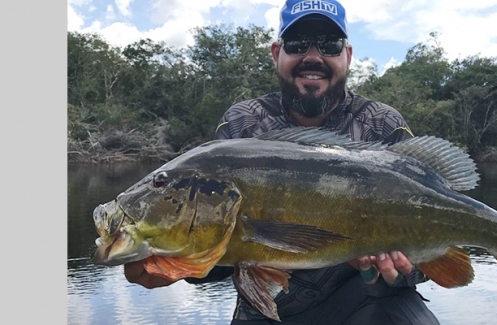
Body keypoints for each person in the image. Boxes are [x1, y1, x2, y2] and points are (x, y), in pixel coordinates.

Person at [124, 1, 442, 324]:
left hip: (369, 301)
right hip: (268, 311)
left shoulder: (384, 127)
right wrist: (176, 264)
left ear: (348, 55)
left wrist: (392, 270)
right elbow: (223, 254)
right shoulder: (242, 127)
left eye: (329, 44)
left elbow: (429, 267)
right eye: (298, 43)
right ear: (277, 53)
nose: (313, 56)